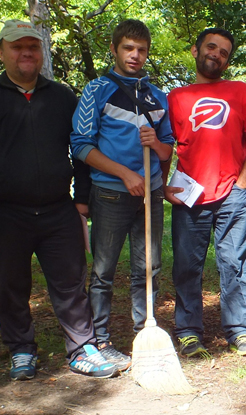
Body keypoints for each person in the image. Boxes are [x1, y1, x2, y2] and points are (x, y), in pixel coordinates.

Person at [0, 19, 118, 380]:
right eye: (17, 47)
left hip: (58, 209)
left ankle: (81, 350)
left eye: (33, 46)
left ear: (41, 52)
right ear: (2, 52)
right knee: (10, 285)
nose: (26, 53)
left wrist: (82, 199)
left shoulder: (62, 97)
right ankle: (22, 350)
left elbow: (81, 148)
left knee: (71, 283)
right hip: (2, 212)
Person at [70, 19, 174, 370]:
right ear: (114, 49)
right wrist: (125, 173)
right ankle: (99, 340)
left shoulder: (157, 96)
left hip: (152, 193)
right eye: (128, 48)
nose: (135, 55)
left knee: (149, 267)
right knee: (103, 270)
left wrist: (156, 144)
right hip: (112, 193)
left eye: (142, 50)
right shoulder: (96, 90)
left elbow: (166, 151)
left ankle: (145, 332)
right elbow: (82, 146)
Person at [165, 28, 246, 357]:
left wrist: (243, 183)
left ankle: (239, 330)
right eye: (211, 47)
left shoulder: (240, 91)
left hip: (231, 194)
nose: (217, 55)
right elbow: (167, 147)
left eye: (224, 52)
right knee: (186, 267)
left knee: (234, 264)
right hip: (190, 196)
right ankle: (189, 331)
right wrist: (166, 187)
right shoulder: (176, 97)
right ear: (195, 50)